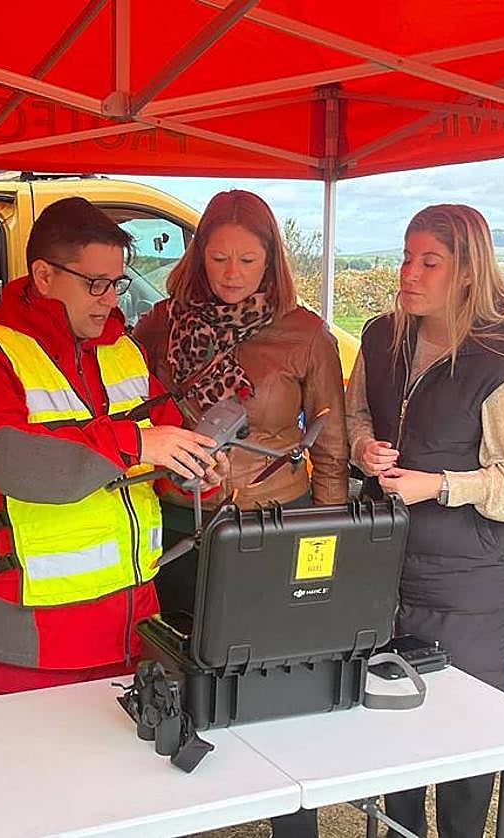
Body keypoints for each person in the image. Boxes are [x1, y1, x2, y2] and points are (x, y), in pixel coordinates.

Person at [0, 197, 226, 697]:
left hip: (132, 621)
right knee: (33, 774)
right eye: (95, 284)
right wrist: (138, 442)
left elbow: (164, 442)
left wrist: (194, 468)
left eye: (116, 283)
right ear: (43, 275)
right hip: (35, 634)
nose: (110, 299)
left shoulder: (123, 350)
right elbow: (8, 460)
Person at [348, 204, 504, 838]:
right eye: (406, 257)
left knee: (465, 749)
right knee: (392, 737)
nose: (409, 273)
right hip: (385, 575)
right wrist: (363, 448)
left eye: (428, 262)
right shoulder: (383, 338)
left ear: (467, 271)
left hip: (469, 586)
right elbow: (356, 413)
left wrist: (439, 485)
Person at [133, 189, 349, 620]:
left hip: (273, 517)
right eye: (219, 259)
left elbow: (331, 446)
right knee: (177, 644)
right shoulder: (160, 323)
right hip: (178, 514)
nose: (232, 274)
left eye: (247, 261)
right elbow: (133, 413)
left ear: (270, 260)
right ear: (199, 256)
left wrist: (327, 537)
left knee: (263, 644)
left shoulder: (305, 334)